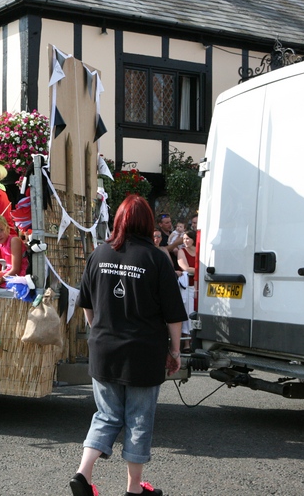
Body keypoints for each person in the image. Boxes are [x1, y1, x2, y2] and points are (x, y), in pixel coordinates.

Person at [70, 194, 185, 496]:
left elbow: (86, 305)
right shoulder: (157, 258)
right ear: (148, 223)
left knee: (106, 415)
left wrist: (99, 331)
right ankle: (134, 489)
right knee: (139, 419)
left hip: (104, 348)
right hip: (144, 353)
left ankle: (83, 474)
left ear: (119, 220)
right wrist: (175, 351)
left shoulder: (99, 254)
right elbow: (173, 314)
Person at [176, 230, 197, 352]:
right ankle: (186, 343)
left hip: (199, 287)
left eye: (188, 238)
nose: (185, 241)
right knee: (188, 314)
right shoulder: (181, 251)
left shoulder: (200, 251)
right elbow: (185, 268)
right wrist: (199, 270)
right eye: (184, 239)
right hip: (188, 286)